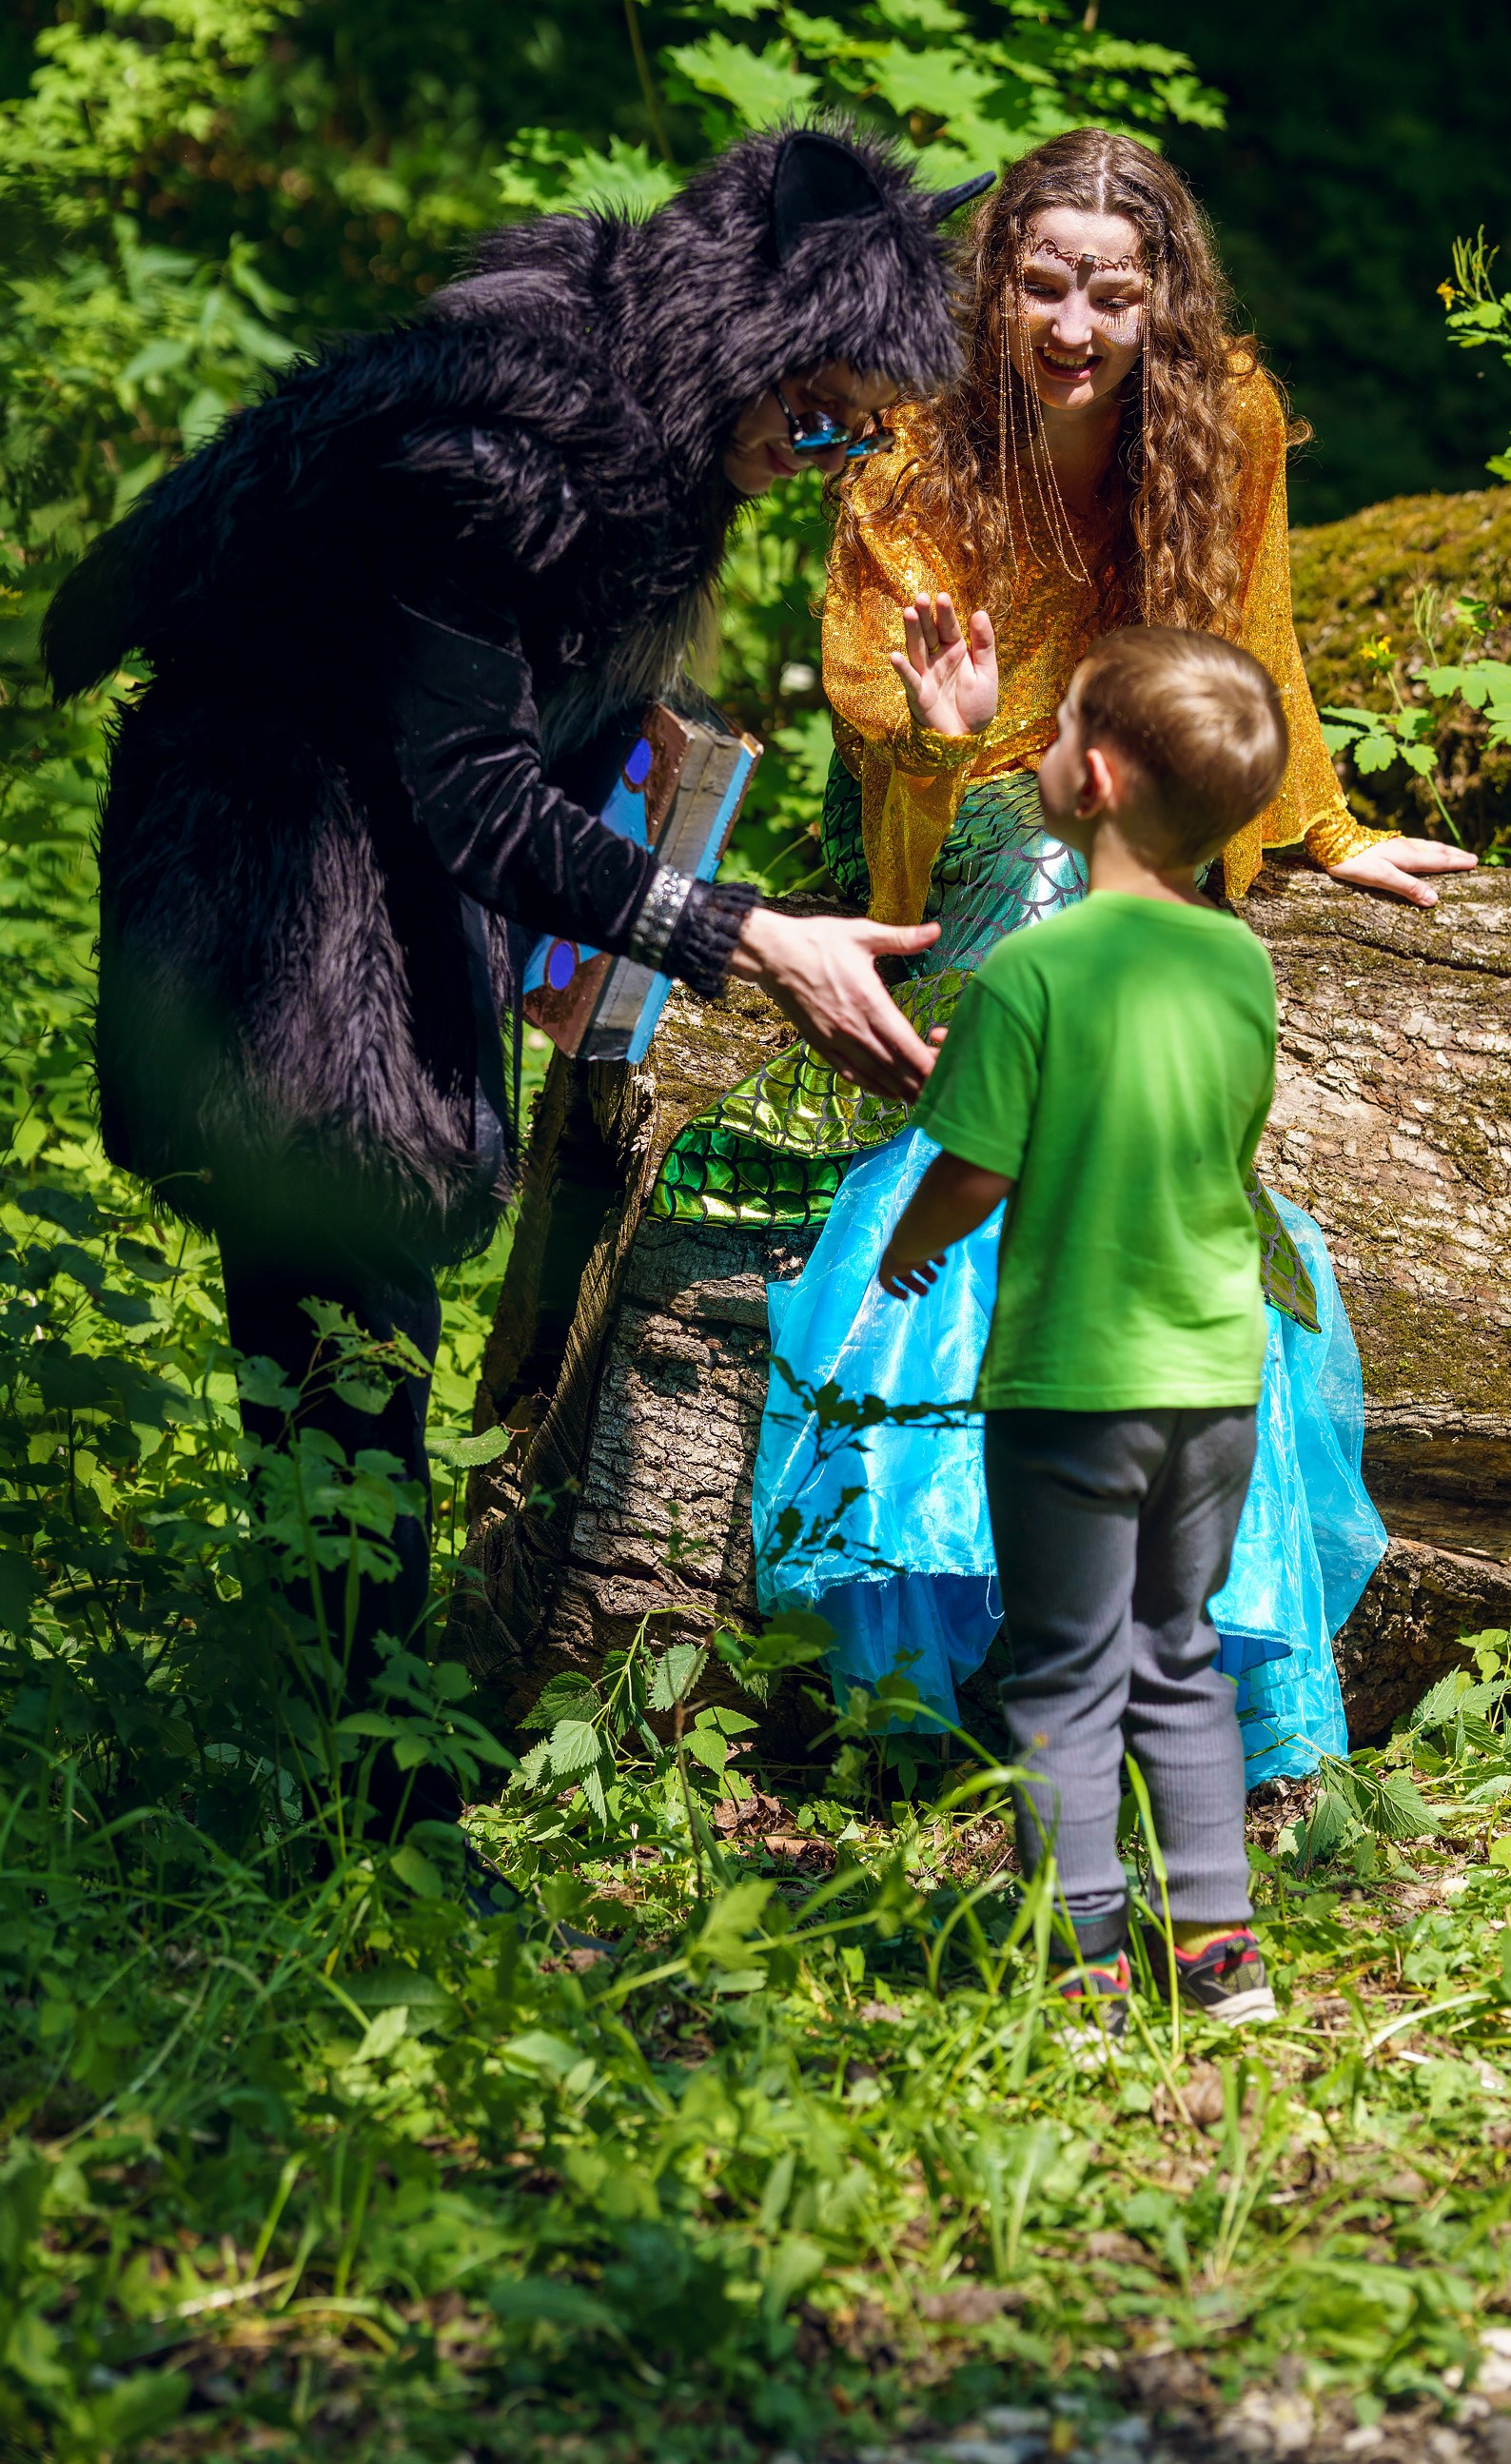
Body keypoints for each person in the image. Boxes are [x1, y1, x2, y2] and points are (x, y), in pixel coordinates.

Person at [41, 120, 986, 1833]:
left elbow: (515, 716)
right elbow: (472, 789)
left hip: (382, 867)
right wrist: (740, 935)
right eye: (815, 413)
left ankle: (344, 1769)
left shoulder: (643, 418)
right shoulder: (503, 446)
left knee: (358, 1339)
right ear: (741, 336)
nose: (824, 455)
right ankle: (365, 1817)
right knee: (348, 1337)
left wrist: (612, 817)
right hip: (273, 887)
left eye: (856, 425)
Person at [659, 128, 1469, 1775]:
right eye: (1042, 287)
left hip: (1142, 820)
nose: (1075, 328)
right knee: (1038, 981)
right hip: (970, 815)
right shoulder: (909, 449)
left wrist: (1321, 827)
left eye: (1113, 293)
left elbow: (1260, 642)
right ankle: (943, 1606)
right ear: (996, 285)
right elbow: (888, 738)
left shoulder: (1228, 419)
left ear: (1166, 296)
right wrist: (951, 737)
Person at [877, 625, 1291, 2025]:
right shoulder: (1240, 967)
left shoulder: (1032, 973)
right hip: (1215, 1379)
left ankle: (1083, 1969)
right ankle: (1219, 1956)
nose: (1041, 751)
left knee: (1064, 1670)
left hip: (1072, 1382)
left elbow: (975, 1169)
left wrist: (907, 1246)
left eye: (1054, 732)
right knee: (1178, 1654)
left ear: (1095, 780)